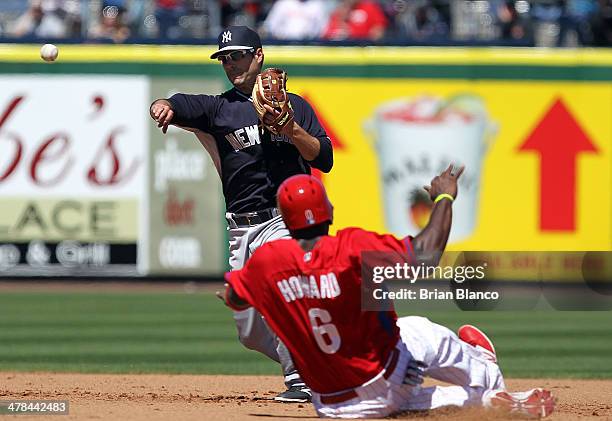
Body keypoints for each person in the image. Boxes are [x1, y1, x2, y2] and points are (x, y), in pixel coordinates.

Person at [221, 167, 555, 418]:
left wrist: (247, 296)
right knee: (421, 331)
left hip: (332, 406)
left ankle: (481, 403)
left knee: (399, 399)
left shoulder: (267, 261)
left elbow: (235, 296)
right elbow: (426, 255)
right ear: (328, 211)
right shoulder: (352, 247)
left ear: (285, 218)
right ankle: (485, 373)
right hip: (386, 375)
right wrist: (444, 197)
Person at [149, 25, 333, 403]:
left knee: (283, 294)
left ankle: (303, 377)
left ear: (259, 55)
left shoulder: (295, 106)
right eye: (225, 58)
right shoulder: (221, 109)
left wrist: (291, 129)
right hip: (241, 227)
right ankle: (311, 358)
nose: (231, 63)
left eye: (239, 55)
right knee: (249, 330)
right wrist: (162, 106)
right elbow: (181, 102)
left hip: (285, 222)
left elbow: (324, 157)